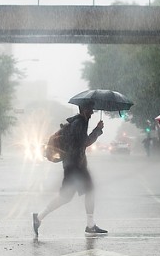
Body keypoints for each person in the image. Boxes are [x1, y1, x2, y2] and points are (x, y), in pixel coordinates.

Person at [33, 100, 106, 237]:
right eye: (90, 109)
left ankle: (90, 225)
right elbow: (85, 143)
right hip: (74, 166)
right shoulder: (79, 123)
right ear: (84, 109)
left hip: (75, 165)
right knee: (66, 197)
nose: (92, 112)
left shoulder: (80, 122)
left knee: (85, 191)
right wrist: (98, 130)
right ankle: (38, 218)